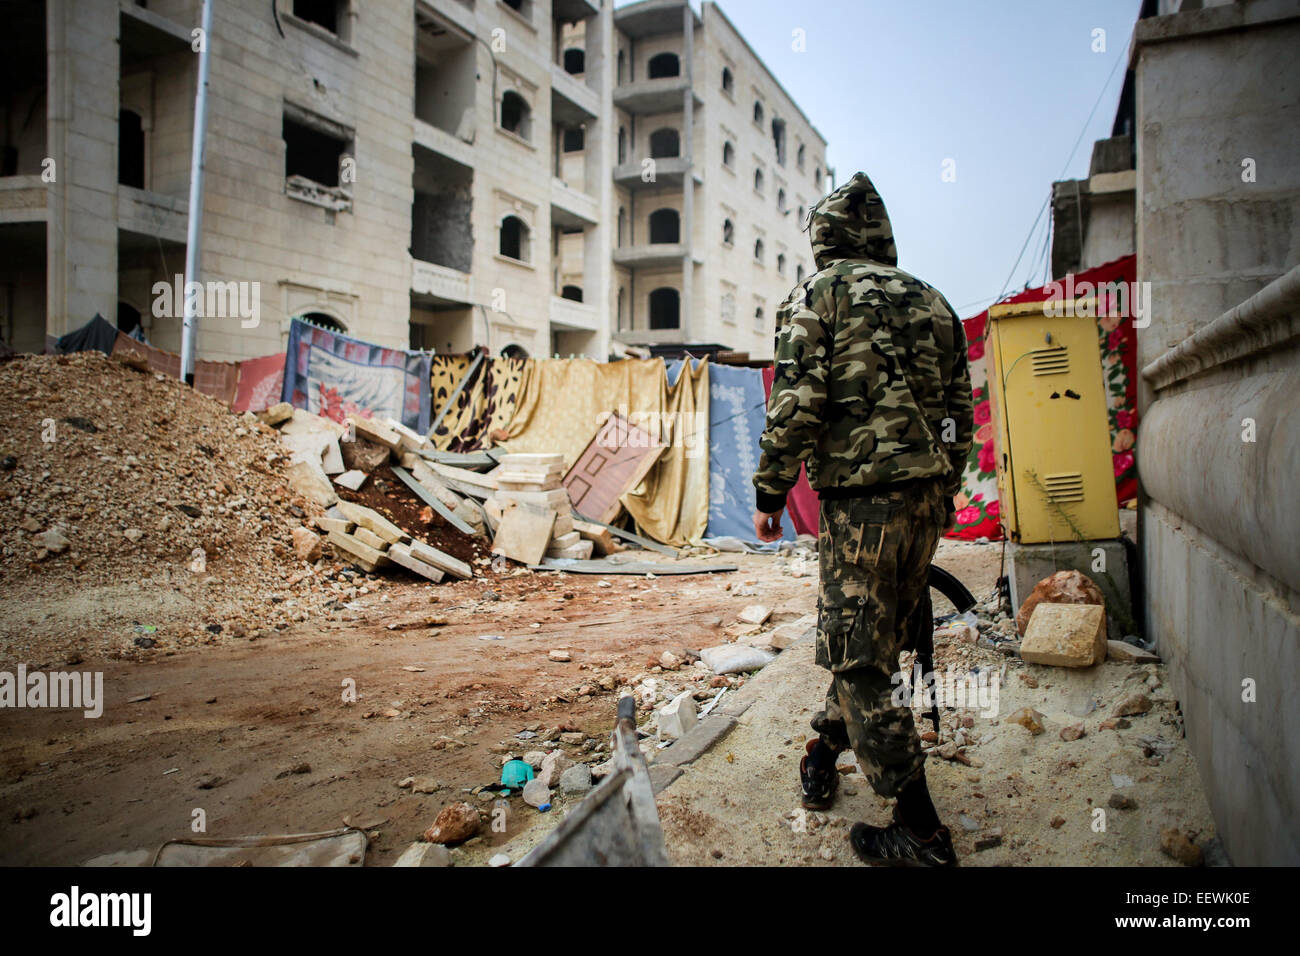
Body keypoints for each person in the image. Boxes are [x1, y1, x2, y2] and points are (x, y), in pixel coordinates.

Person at [752, 171, 973, 867]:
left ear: (825, 237)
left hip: (862, 506)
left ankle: (922, 832)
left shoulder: (819, 293)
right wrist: (941, 491)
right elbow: (959, 413)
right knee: (874, 641)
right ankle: (824, 750)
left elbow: (796, 403)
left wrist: (770, 494)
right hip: (926, 502)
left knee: (857, 656)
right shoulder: (933, 300)